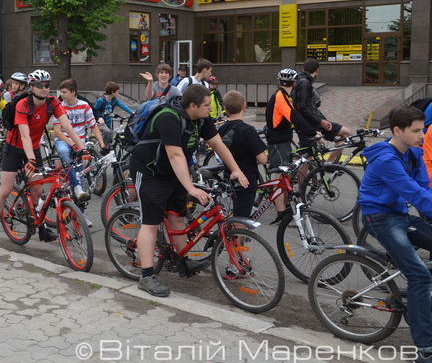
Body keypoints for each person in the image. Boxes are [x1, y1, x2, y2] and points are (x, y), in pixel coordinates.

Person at [130, 84, 249, 297]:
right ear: (192, 106)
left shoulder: (201, 118)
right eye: (206, 105)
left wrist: (236, 169)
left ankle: (182, 261)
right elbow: (175, 155)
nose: (210, 108)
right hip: (150, 172)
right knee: (151, 223)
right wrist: (191, 188)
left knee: (177, 216)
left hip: (174, 172)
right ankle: (146, 276)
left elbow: (217, 144)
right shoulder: (168, 118)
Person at [358, 104, 432, 363]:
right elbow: (413, 192)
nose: (422, 135)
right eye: (417, 131)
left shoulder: (412, 152)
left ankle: (422, 307)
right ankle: (425, 352)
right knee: (420, 276)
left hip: (399, 215)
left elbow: (424, 187)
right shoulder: (386, 160)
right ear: (397, 131)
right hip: (379, 218)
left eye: (423, 129)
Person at [0, 70, 89, 249]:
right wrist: (31, 160)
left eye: (47, 85)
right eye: (40, 86)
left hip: (33, 149)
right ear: (31, 87)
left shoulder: (53, 103)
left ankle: (40, 227)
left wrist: (82, 148)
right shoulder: (23, 104)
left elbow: (67, 127)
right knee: (5, 189)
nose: (44, 89)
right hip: (14, 148)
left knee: (37, 189)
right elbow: (24, 135)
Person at [264, 68, 316, 224]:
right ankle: (281, 213)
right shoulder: (280, 96)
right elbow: (294, 116)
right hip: (278, 142)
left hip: (283, 140)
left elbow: (293, 116)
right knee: (280, 176)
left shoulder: (284, 96)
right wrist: (312, 132)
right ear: (294, 84)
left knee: (285, 175)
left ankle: (286, 207)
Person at [52, 78, 105, 207]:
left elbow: (93, 126)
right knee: (64, 152)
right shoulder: (59, 106)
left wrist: (102, 144)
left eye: (64, 92)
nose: (61, 95)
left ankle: (81, 213)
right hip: (64, 140)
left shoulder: (84, 106)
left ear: (73, 92)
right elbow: (57, 131)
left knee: (81, 175)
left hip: (80, 142)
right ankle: (75, 186)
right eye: (61, 92)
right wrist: (73, 145)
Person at [216, 91, 267, 219]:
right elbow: (262, 159)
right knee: (241, 218)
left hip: (229, 176)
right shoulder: (248, 130)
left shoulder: (222, 129)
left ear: (225, 109)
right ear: (244, 106)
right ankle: (237, 232)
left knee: (237, 210)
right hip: (246, 179)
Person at [292, 58, 352, 161]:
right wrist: (320, 121)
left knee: (347, 133)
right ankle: (327, 164)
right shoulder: (304, 83)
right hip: (309, 125)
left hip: (314, 122)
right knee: (307, 159)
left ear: (303, 69)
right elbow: (303, 107)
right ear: (317, 70)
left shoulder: (302, 81)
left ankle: (328, 165)